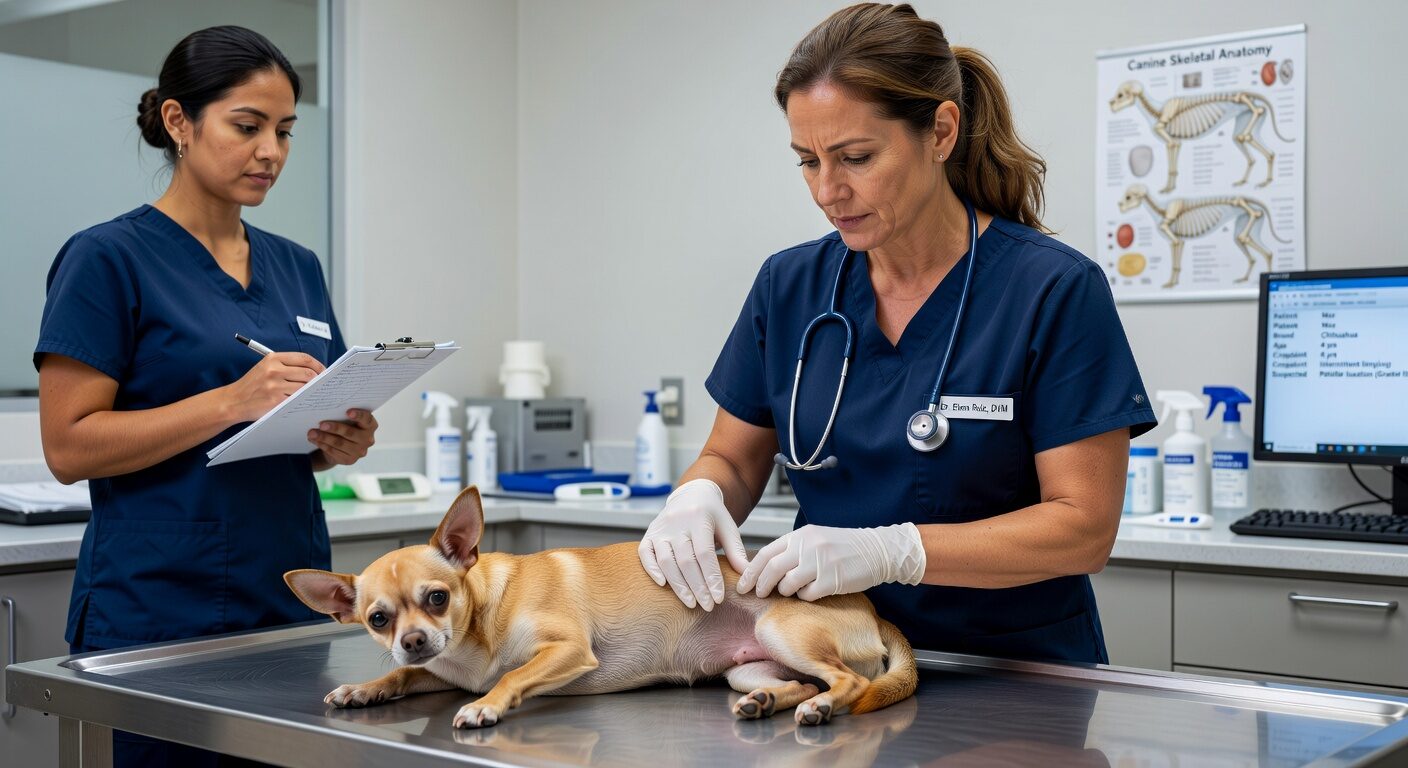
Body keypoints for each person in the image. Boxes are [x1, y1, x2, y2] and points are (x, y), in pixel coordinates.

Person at [639, 3, 1156, 664]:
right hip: (832, 660)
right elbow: (734, 459)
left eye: (855, 157)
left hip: (1011, 673)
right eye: (807, 161)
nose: (827, 191)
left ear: (940, 132)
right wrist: (698, 495)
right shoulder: (789, 286)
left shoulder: (1052, 289)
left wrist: (894, 550)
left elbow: (1083, 528)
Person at [35, 26, 375, 767]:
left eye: (284, 131)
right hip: (160, 608)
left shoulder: (298, 266)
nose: (271, 151)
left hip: (287, 599)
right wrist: (230, 401)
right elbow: (67, 446)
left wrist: (336, 440)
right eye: (247, 127)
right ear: (179, 122)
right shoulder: (107, 258)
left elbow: (291, 432)